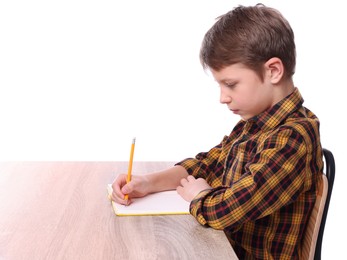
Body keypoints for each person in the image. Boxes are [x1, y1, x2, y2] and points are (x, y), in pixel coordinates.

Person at [111, 4, 323, 259]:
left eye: (231, 84)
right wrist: (147, 183)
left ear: (273, 71)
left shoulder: (294, 138)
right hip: (219, 247)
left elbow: (227, 208)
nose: (223, 97)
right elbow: (207, 165)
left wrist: (200, 195)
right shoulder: (255, 124)